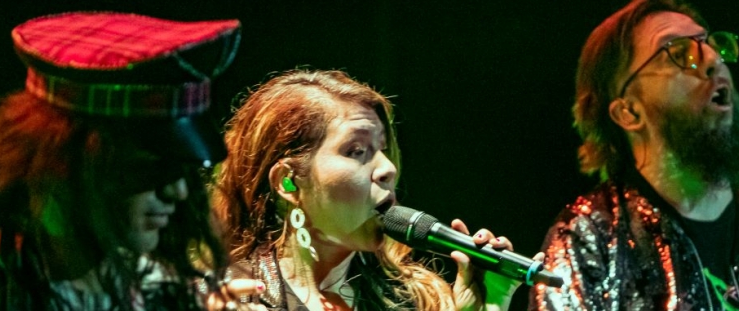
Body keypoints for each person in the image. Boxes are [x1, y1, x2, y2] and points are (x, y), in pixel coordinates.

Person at [0, 12, 243, 310]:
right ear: (61, 161)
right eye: (150, 167)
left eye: (183, 170)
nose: (177, 191)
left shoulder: (129, 273)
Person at [529, 0, 739, 309]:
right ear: (628, 111)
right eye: (679, 52)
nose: (712, 59)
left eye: (712, 45)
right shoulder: (590, 240)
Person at [210, 69, 525, 310]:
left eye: (383, 150)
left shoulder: (420, 298)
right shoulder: (230, 296)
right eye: (356, 151)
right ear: (288, 182)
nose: (387, 168)